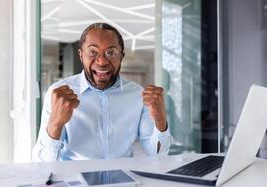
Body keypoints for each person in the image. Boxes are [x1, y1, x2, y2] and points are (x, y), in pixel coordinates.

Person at [32, 23, 171, 162]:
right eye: (92, 52)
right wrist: (56, 123)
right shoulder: (58, 94)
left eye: (111, 52)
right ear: (81, 55)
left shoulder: (137, 95)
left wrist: (160, 119)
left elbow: (157, 154)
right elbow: (42, 163)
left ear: (121, 56)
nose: (102, 61)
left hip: (123, 180)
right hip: (76, 180)